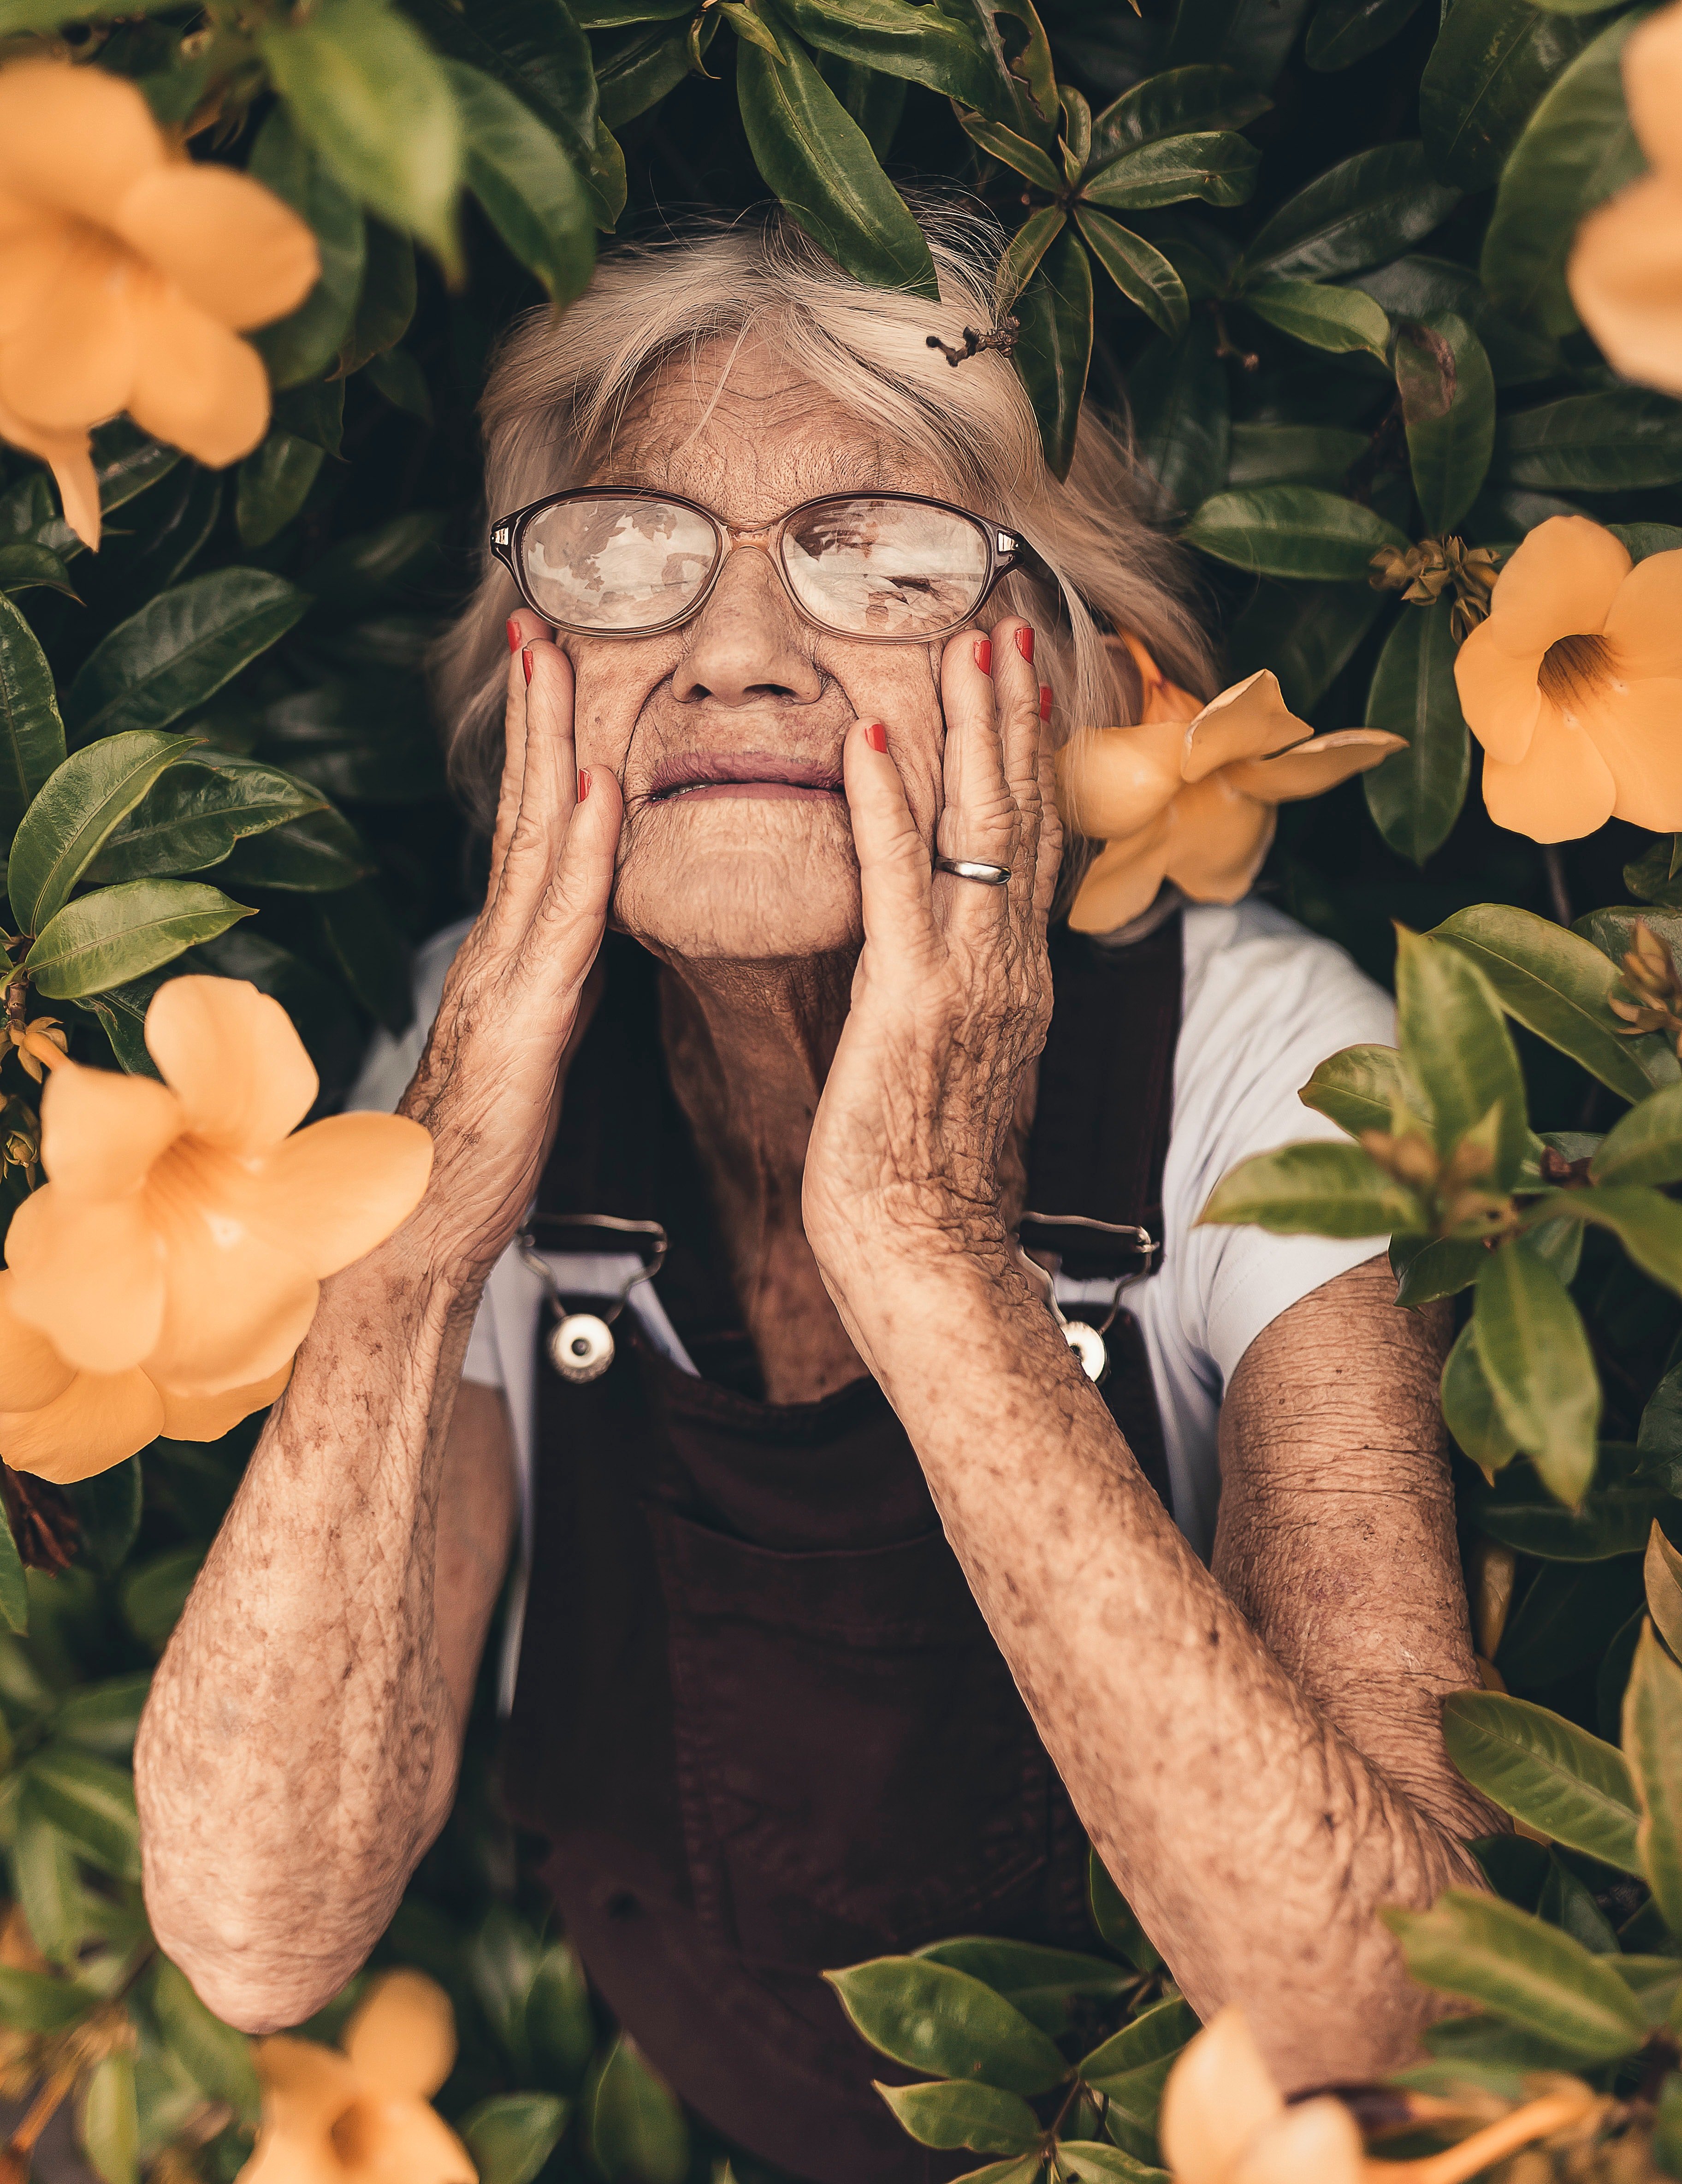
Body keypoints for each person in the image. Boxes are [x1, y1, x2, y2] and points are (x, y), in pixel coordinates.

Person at [134, 209, 1498, 2184]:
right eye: (631, 555)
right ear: (540, 673)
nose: (739, 655)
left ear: (1053, 668)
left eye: (877, 557)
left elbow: (1398, 2002)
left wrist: (928, 1254)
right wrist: (416, 1244)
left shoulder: (1272, 1066)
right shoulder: (482, 1038)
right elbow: (257, 1930)